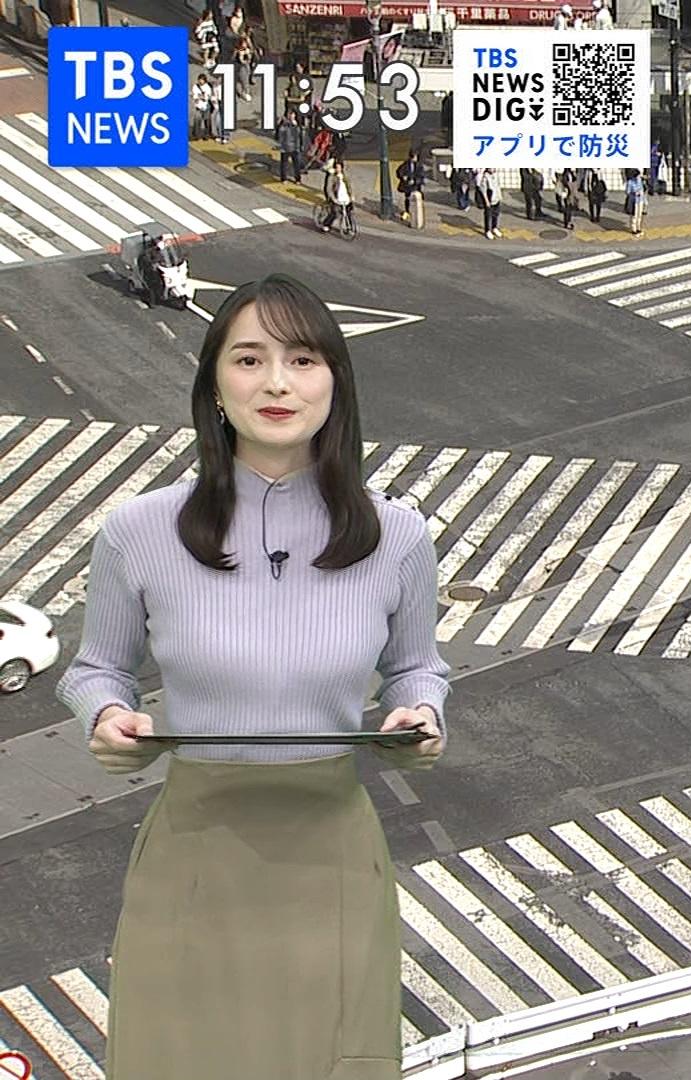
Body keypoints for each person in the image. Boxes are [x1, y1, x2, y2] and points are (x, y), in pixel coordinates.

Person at [56, 275, 450, 1078]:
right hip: (193, 856)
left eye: (302, 359)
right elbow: (98, 668)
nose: (276, 383)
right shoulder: (138, 530)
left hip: (331, 859)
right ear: (213, 384)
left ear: (335, 381)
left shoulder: (399, 536)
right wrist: (106, 719)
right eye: (248, 359)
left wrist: (420, 715)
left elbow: (416, 667)